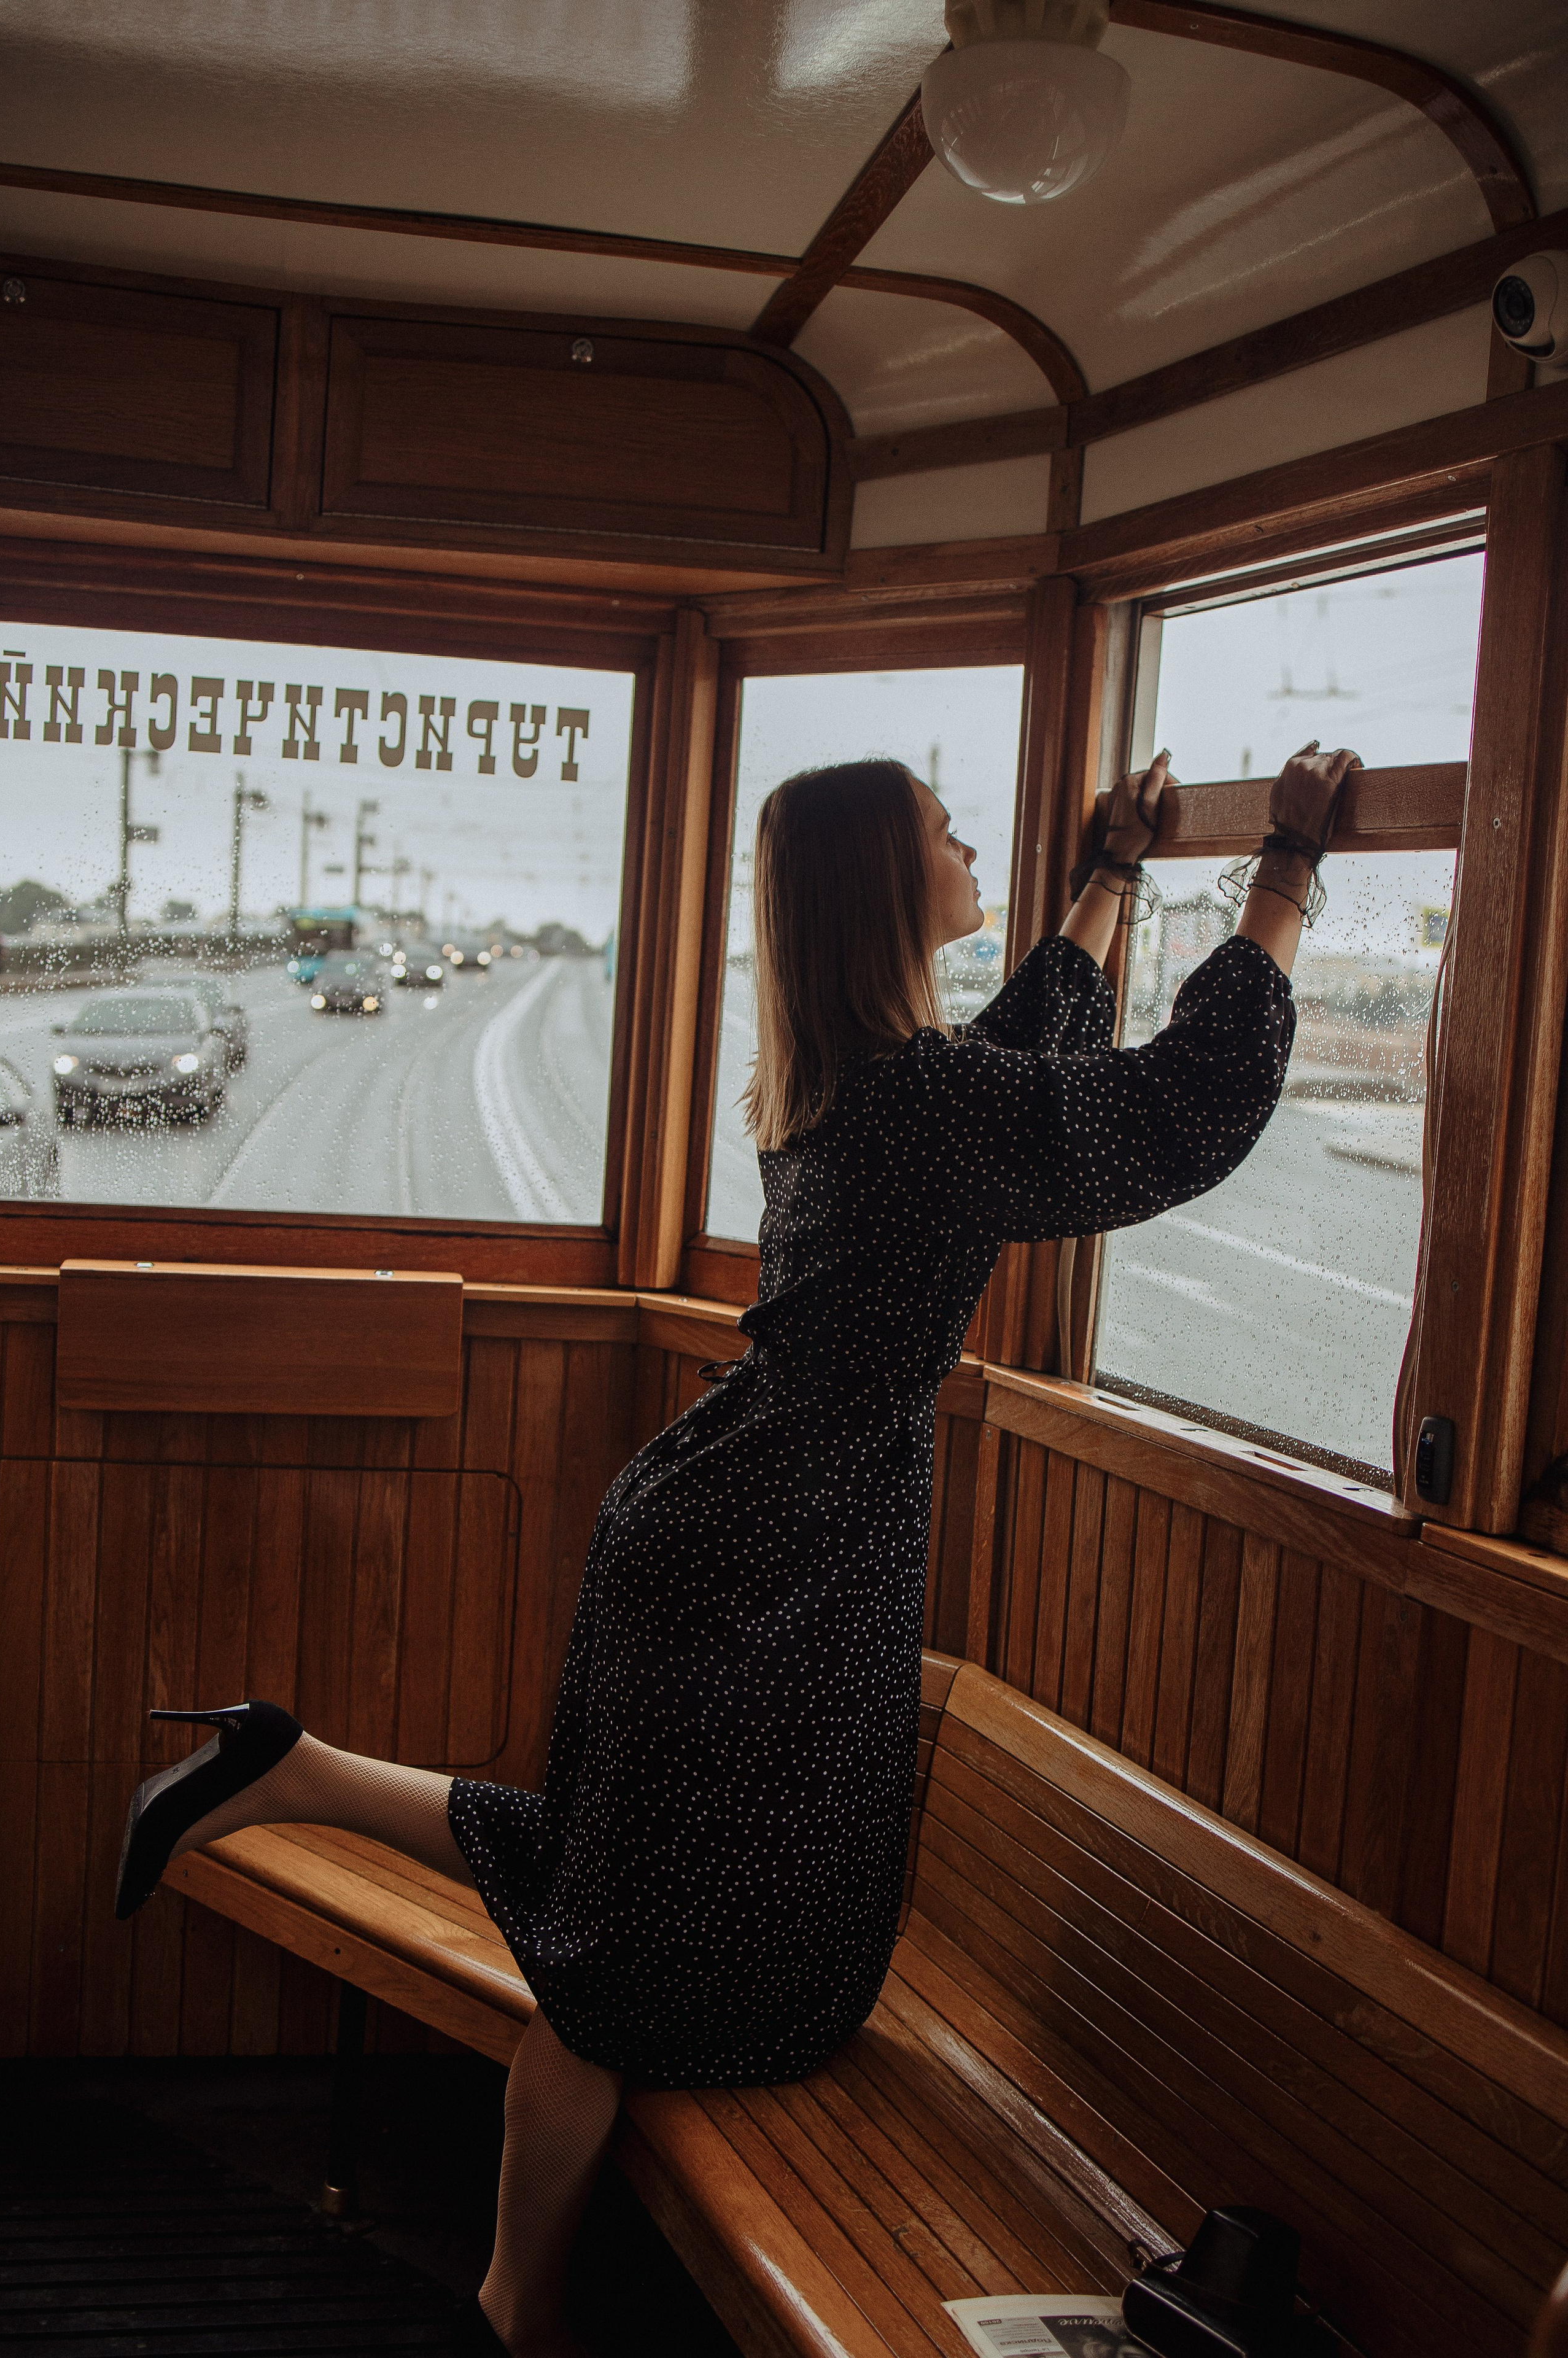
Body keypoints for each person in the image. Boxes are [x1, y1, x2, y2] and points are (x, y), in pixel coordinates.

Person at [114, 738, 1357, 2358]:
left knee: (613, 1911)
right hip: (775, 1571)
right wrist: (1282, 875)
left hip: (723, 1540)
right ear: (882, 885)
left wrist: (1112, 880)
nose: (969, 839)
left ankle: (290, 1771)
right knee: (633, 1967)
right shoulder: (922, 1106)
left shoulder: (861, 1084)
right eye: (941, 828)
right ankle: (516, 2300)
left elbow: (1025, 1066)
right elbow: (1175, 1110)